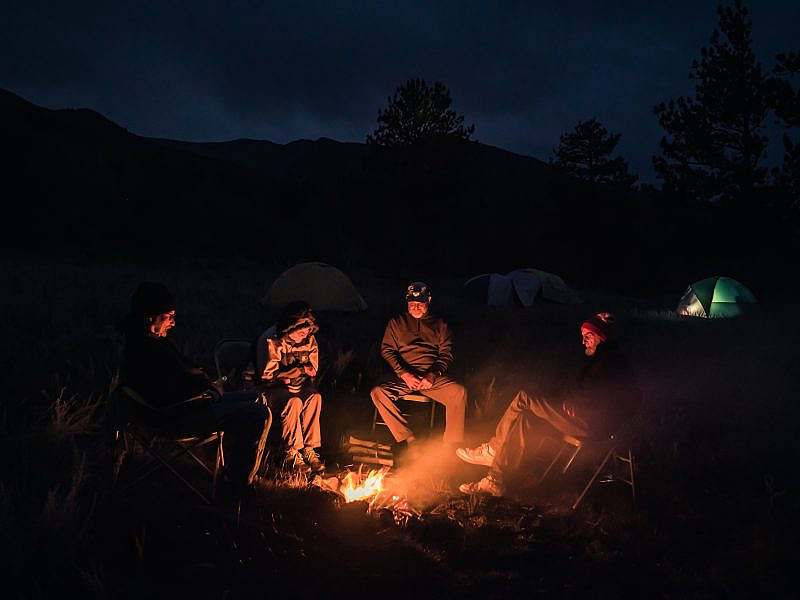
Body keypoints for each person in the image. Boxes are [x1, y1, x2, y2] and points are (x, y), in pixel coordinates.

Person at [456, 312, 641, 497]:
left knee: (524, 397)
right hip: (580, 417)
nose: (583, 341)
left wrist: (595, 413)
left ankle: (493, 449)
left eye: (588, 336)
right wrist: (570, 400)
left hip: (592, 424)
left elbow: (626, 399)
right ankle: (495, 480)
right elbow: (579, 388)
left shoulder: (613, 362)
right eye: (582, 337)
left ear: (601, 336)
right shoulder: (597, 359)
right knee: (526, 417)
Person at [120, 281, 272, 490]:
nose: (173, 323)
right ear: (150, 317)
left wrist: (205, 383)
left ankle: (236, 467)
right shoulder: (146, 350)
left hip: (186, 406)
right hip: (175, 417)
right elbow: (168, 392)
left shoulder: (151, 341)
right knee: (257, 413)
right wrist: (206, 390)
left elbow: (183, 372)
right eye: (169, 316)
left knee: (256, 397)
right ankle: (237, 485)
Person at [370, 281, 467, 450]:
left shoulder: (439, 324)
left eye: (419, 303)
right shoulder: (396, 323)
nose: (415, 307)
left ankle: (451, 447)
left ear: (428, 300)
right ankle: (409, 438)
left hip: (430, 378)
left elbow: (446, 353)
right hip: (404, 378)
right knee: (378, 393)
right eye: (412, 304)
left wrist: (432, 374)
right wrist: (404, 374)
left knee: (459, 392)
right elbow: (387, 350)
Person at [259, 301, 325, 473]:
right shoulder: (274, 341)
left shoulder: (309, 340)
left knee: (314, 398)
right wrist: (297, 370)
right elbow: (269, 375)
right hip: (274, 390)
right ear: (290, 327)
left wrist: (300, 373)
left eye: (306, 332)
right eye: (299, 332)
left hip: (299, 386)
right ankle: (291, 451)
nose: (302, 336)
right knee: (293, 402)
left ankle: (309, 448)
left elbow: (313, 369)